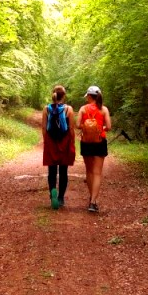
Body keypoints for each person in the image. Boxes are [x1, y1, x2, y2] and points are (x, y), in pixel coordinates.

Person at [78, 85, 112, 213]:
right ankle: (93, 201)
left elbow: (77, 125)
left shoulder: (83, 109)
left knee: (89, 171)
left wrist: (87, 126)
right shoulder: (104, 109)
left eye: (87, 96)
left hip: (86, 142)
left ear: (89, 96)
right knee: (97, 173)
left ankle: (92, 198)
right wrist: (99, 128)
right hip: (100, 141)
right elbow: (108, 126)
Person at [41, 84, 75, 210]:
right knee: (63, 170)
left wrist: (46, 141)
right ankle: (60, 198)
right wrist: (72, 142)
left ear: (53, 94)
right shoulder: (68, 109)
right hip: (64, 141)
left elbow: (44, 127)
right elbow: (71, 128)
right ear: (64, 96)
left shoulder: (46, 109)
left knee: (52, 170)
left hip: (51, 141)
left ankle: (52, 193)